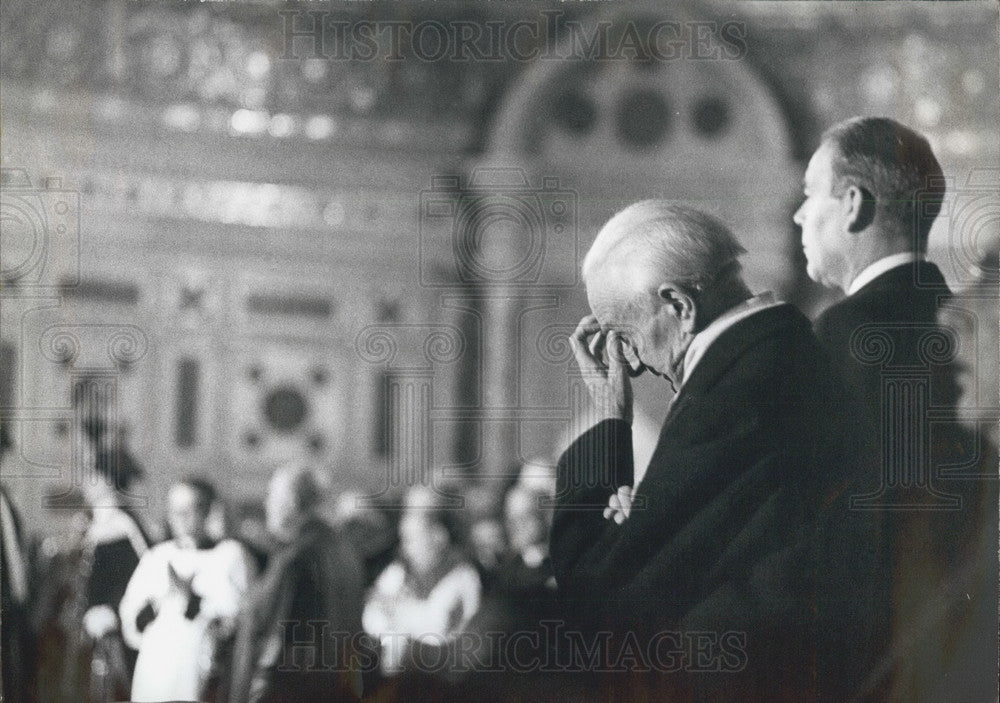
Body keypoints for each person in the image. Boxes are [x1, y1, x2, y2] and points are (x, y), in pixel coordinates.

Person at [550, 201, 887, 700]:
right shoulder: (787, 354)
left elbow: (595, 589)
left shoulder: (733, 394)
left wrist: (608, 417)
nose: (632, 365)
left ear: (680, 307)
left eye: (625, 338)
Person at [794, 116, 953, 417]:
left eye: (810, 194)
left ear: (853, 205)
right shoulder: (961, 320)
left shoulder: (839, 331)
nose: (799, 216)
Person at [228, 463, 367, 703]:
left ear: (291, 502)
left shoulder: (294, 560)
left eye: (271, 495)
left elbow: (272, 650)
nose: (266, 504)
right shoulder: (345, 552)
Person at [119, 478, 254, 702]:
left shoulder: (230, 556)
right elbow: (131, 618)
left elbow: (237, 618)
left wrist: (192, 601)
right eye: (175, 510)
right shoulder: (157, 557)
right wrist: (158, 606)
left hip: (204, 677)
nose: (180, 517)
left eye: (189, 509)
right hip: (157, 672)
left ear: (207, 511)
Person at [362, 485, 481, 678]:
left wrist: (395, 609)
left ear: (438, 536)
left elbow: (438, 627)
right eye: (404, 540)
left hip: (444, 677)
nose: (405, 548)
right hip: (398, 677)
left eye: (412, 540)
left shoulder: (462, 574)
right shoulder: (399, 569)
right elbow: (371, 614)